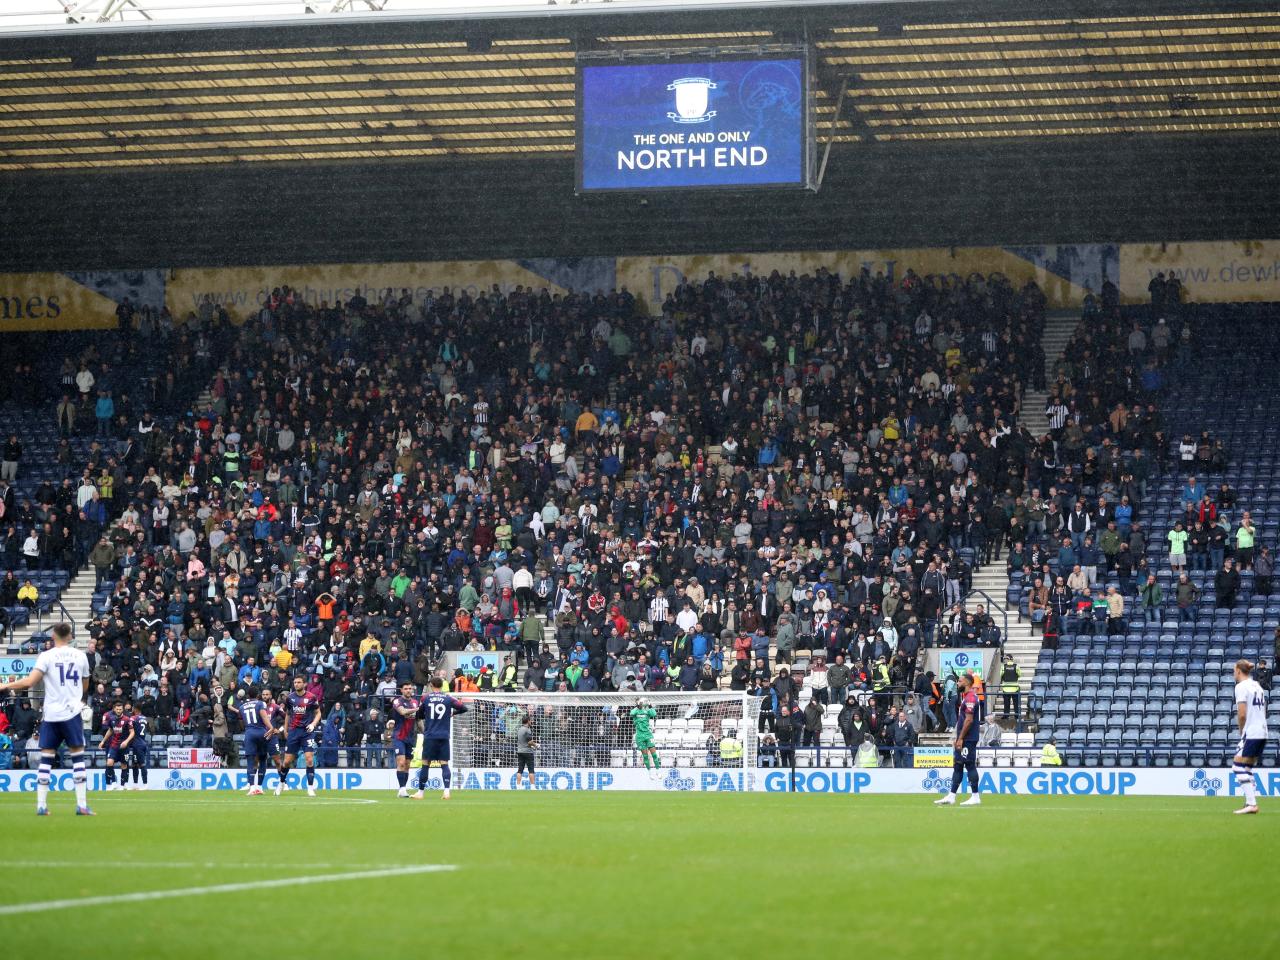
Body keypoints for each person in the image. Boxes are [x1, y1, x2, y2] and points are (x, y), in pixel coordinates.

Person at [0, 623, 92, 815]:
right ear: (70, 636)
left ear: (53, 636)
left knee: (46, 757)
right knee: (78, 756)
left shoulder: (47, 655)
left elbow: (30, 682)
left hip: (51, 714)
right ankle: (82, 805)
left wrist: (5, 686)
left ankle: (41, 805)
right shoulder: (81, 656)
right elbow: (85, 686)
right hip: (72, 712)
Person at [411, 677, 468, 800]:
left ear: (431, 685)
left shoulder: (425, 698)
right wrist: (452, 713)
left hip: (430, 735)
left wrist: (425, 714)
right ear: (442, 685)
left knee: (426, 764)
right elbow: (463, 708)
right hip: (444, 735)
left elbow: (419, 715)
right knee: (444, 764)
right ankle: (447, 792)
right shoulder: (448, 698)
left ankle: (420, 793)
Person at [935, 670, 982, 807]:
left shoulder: (971, 698)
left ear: (967, 683)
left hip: (968, 738)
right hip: (963, 738)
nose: (957, 683)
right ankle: (952, 795)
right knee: (958, 765)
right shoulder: (966, 697)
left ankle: (975, 796)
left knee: (969, 765)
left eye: (960, 681)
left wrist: (961, 738)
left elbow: (968, 720)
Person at [1231, 659, 1268, 815]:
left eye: (1234, 670)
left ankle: (1252, 804)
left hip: (1251, 732)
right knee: (1247, 767)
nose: (1234, 673)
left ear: (1239, 670)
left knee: (1236, 766)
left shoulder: (1241, 686)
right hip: (1262, 731)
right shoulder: (1257, 686)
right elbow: (1264, 709)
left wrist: (1242, 731)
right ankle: (1250, 802)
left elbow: (1242, 714)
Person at [276, 674, 321, 797]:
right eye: (295, 682)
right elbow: (288, 715)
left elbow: (318, 713)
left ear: (305, 684)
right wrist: (285, 730)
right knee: (286, 762)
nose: (296, 684)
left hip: (307, 732)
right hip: (294, 732)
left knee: (309, 759)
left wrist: (313, 724)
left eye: (299, 682)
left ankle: (310, 788)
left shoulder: (312, 697)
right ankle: (281, 783)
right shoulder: (290, 698)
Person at [229, 687, 277, 796]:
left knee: (250, 761)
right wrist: (272, 729)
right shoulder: (260, 704)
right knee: (263, 759)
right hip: (261, 732)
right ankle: (259, 787)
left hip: (249, 733)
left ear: (248, 695)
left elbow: (241, 721)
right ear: (258, 695)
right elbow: (264, 717)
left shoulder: (241, 707)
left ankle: (251, 788)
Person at [389, 680, 421, 798]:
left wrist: (425, 731)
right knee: (401, 762)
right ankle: (402, 789)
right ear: (401, 690)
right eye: (406, 688)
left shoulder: (414, 702)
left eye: (410, 688)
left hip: (411, 737)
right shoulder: (397, 701)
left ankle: (403, 788)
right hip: (399, 736)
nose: (408, 690)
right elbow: (402, 712)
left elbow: (418, 720)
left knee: (407, 764)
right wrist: (417, 709)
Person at [99, 700, 134, 792]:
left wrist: (126, 741)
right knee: (109, 763)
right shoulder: (111, 719)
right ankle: (113, 784)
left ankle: (123, 785)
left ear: (123, 709)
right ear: (114, 709)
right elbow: (110, 730)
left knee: (124, 765)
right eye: (117, 709)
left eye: (120, 709)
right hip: (113, 745)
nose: (119, 711)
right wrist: (103, 741)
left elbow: (132, 732)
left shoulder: (127, 719)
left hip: (123, 746)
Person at [630, 697, 660, 778]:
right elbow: (631, 713)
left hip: (648, 735)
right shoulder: (635, 711)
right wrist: (637, 706)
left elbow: (654, 714)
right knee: (645, 756)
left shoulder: (647, 711)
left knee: (654, 754)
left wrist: (650, 705)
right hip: (639, 736)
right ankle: (650, 773)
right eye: (638, 702)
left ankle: (658, 771)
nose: (640, 703)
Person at [123, 701, 150, 790]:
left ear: (135, 709)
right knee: (135, 764)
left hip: (137, 744)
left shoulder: (133, 718)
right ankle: (135, 784)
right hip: (141, 742)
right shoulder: (145, 719)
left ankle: (145, 784)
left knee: (142, 764)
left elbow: (129, 728)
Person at [516, 713, 538, 789]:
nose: (531, 721)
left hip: (520, 751)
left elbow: (523, 741)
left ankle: (518, 786)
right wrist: (536, 745)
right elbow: (529, 742)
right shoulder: (527, 730)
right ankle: (532, 786)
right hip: (528, 752)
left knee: (520, 769)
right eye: (530, 720)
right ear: (528, 721)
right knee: (531, 770)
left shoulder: (519, 729)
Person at [998, 654, 1021, 719]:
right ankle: (1017, 716)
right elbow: (1019, 675)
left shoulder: (1003, 666)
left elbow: (1001, 675)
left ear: (1008, 659)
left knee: (1006, 704)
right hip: (1015, 688)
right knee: (1016, 704)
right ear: (1012, 659)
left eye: (1006, 659)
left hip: (1006, 688)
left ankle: (1006, 716)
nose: (1005, 660)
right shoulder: (1016, 666)